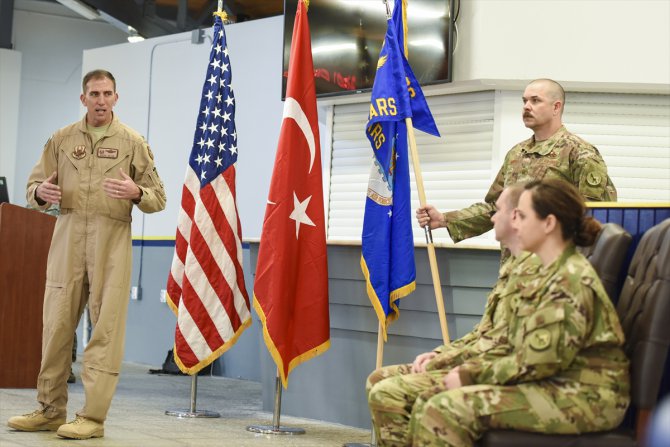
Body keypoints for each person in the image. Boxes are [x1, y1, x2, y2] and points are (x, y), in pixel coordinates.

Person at [369, 178, 629, 446]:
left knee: (443, 406)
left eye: (522, 216)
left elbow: (537, 362)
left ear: (549, 224)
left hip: (585, 396)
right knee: (429, 399)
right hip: (554, 380)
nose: (515, 222)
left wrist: (468, 374)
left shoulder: (568, 280)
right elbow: (511, 343)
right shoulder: (547, 271)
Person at [7, 69, 166, 440]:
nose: (101, 100)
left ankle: (92, 418)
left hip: (111, 242)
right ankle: (49, 409)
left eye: (107, 93)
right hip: (67, 238)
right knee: (56, 326)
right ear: (83, 99)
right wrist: (39, 194)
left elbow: (158, 197)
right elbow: (33, 185)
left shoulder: (132, 142)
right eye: (94, 93)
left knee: (105, 331)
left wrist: (136, 193)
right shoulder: (61, 140)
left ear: (116, 97)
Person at [366, 183, 541, 442]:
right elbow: (487, 335)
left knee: (419, 399)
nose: (493, 217)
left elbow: (527, 357)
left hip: (551, 389)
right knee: (380, 380)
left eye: (500, 211)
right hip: (499, 365)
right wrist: (442, 355)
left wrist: (460, 369)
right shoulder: (515, 269)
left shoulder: (549, 274)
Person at [416, 78, 617, 245]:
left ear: (556, 107)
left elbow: (596, 216)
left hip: (553, 272)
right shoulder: (516, 154)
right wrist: (445, 220)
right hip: (513, 266)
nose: (527, 107)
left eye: (535, 100)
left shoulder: (580, 153)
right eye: (525, 101)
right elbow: (496, 208)